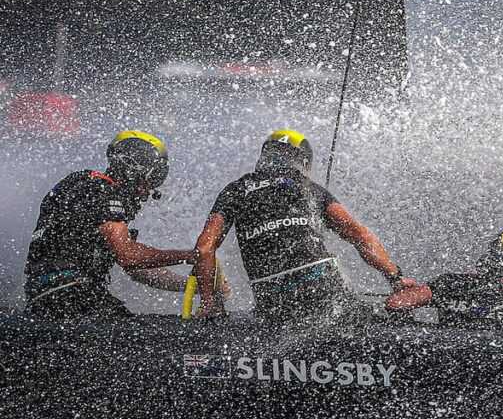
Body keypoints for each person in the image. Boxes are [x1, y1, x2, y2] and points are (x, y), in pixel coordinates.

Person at [193, 129, 418, 323]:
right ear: (304, 163)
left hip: (272, 302)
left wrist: (209, 303)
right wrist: (395, 277)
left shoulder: (236, 191)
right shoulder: (310, 188)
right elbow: (358, 234)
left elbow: (204, 248)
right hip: (324, 289)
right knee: (380, 317)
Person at [24, 130, 199, 319]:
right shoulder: (103, 191)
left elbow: (140, 270)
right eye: (153, 178)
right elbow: (128, 256)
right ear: (133, 167)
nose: (148, 190)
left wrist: (195, 286)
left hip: (50, 295)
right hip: (71, 295)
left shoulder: (85, 185)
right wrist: (192, 256)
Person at [385, 230, 503, 330]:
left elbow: (396, 303)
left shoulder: (452, 283)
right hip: (495, 364)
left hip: (446, 360)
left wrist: (409, 324)